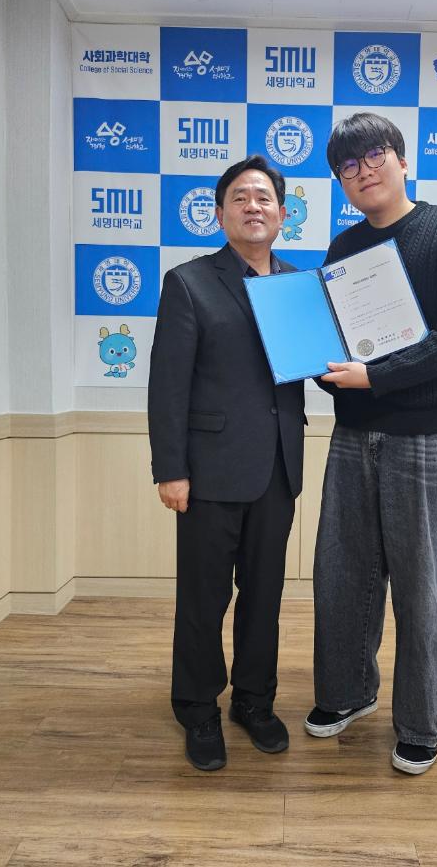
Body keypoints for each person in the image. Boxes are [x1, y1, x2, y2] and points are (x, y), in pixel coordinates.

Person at [304, 113, 437, 775]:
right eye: (347, 167)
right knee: (342, 574)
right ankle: (348, 692)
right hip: (354, 434)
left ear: (402, 159)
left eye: (374, 156)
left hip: (430, 438)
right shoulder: (344, 246)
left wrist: (376, 377)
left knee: (423, 584)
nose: (363, 172)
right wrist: (319, 365)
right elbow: (331, 339)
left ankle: (419, 722)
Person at [148, 155, 305, 771]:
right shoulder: (188, 282)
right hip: (208, 472)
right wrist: (170, 469)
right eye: (240, 198)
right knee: (203, 598)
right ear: (220, 214)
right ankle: (196, 708)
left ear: (282, 214)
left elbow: (310, 367)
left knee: (264, 596)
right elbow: (168, 385)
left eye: (264, 198)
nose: (253, 206)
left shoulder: (298, 286)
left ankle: (254, 702)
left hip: (277, 470)